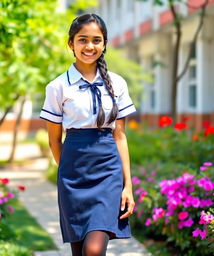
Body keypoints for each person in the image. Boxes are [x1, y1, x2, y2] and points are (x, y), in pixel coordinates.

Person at [40, 13, 136, 256]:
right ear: (71, 43)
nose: (89, 46)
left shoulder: (117, 83)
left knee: (93, 249)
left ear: (104, 44)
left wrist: (128, 186)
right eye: (83, 40)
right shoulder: (57, 86)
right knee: (79, 250)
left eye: (96, 40)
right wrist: (67, 172)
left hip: (107, 172)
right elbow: (54, 139)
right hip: (73, 173)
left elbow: (120, 136)